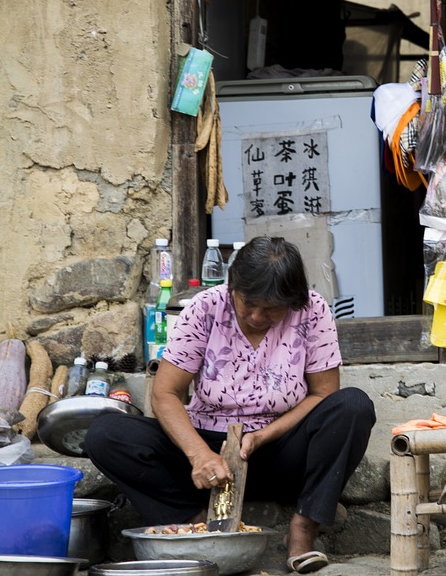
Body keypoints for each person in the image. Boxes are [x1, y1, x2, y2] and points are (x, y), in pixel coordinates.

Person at [85, 236, 376, 574]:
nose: (255, 315)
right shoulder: (205, 307)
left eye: (271, 309)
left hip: (281, 451)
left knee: (353, 405)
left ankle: (303, 529)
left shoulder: (312, 310)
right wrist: (198, 454)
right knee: (106, 433)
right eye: (248, 302)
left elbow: (322, 394)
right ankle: (197, 524)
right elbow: (165, 394)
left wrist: (264, 436)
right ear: (232, 287)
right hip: (208, 451)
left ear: (292, 301)